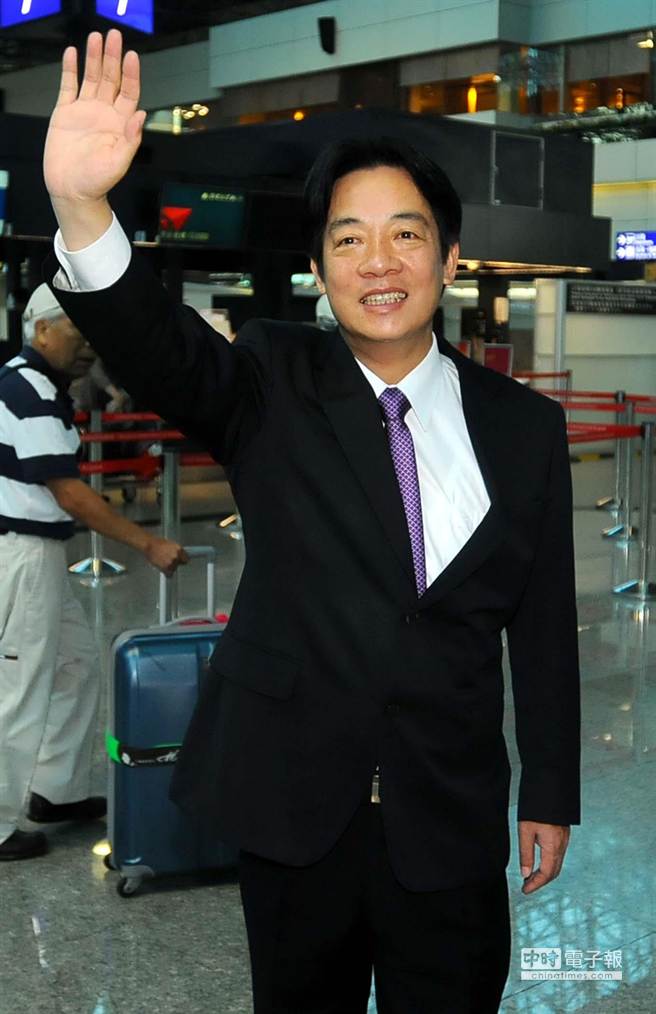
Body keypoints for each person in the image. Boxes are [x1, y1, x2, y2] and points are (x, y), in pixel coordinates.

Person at [42, 31, 580, 1012]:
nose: (378, 262)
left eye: (405, 234)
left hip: (447, 816)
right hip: (296, 812)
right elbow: (163, 350)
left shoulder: (524, 428)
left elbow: (542, 630)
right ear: (321, 270)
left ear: (449, 256)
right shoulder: (272, 378)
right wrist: (83, 207)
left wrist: (548, 790)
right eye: (347, 240)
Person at [0, 282, 188, 862]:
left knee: (76, 664)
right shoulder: (26, 388)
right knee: (22, 685)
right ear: (41, 330)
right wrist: (147, 543)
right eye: (76, 334)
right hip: (23, 554)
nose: (87, 348)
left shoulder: (37, 385)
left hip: (40, 554)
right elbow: (71, 493)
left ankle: (54, 791)